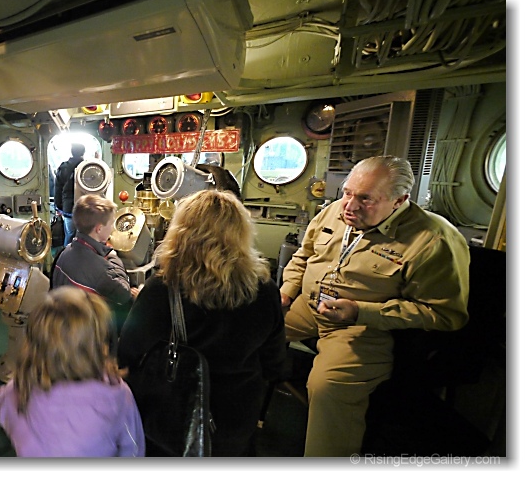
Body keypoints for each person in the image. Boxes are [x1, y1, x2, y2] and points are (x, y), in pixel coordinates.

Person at [279, 155, 470, 457]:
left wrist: (361, 311)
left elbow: (445, 315)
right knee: (242, 329)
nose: (350, 206)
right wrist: (287, 292)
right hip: (307, 304)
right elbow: (303, 256)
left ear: (399, 201)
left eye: (366, 199)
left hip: (361, 326)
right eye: (347, 193)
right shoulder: (334, 211)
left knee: (328, 386)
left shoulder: (433, 240)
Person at [117, 189, 287, 457]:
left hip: (173, 419)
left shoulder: (162, 289)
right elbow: (274, 362)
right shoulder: (265, 290)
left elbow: (128, 354)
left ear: (181, 233)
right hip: (236, 418)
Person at [0, 286, 146, 457]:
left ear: (34, 346)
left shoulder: (16, 391)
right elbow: (133, 449)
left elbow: (1, 406)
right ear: (96, 346)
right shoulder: (118, 396)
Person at [52, 193, 139, 339]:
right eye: (111, 224)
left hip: (63, 329)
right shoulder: (101, 270)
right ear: (99, 229)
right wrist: (113, 255)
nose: (112, 229)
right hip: (89, 338)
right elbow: (124, 294)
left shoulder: (64, 253)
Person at [53, 142, 86, 246]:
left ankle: (67, 254)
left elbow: (58, 188)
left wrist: (58, 206)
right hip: (85, 207)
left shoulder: (63, 167)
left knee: (70, 234)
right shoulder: (87, 167)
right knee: (85, 236)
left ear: (72, 152)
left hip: (68, 207)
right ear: (83, 152)